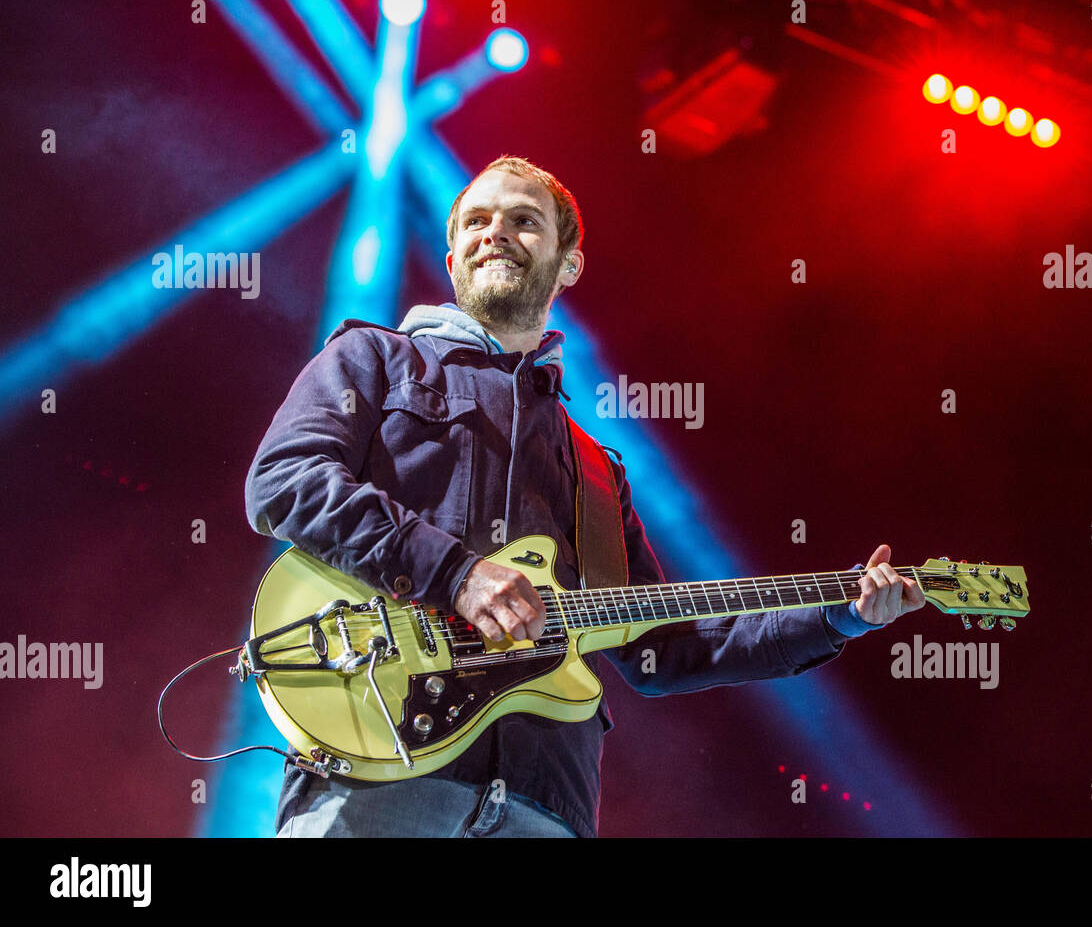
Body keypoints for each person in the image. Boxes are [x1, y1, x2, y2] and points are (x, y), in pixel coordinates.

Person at [244, 155, 925, 837]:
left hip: (545, 799)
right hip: (380, 755)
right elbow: (285, 480)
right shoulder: (373, 358)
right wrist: (455, 574)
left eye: (523, 221)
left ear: (568, 265)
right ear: (452, 258)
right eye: (476, 221)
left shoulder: (596, 467)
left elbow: (666, 651)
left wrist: (839, 617)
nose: (494, 233)